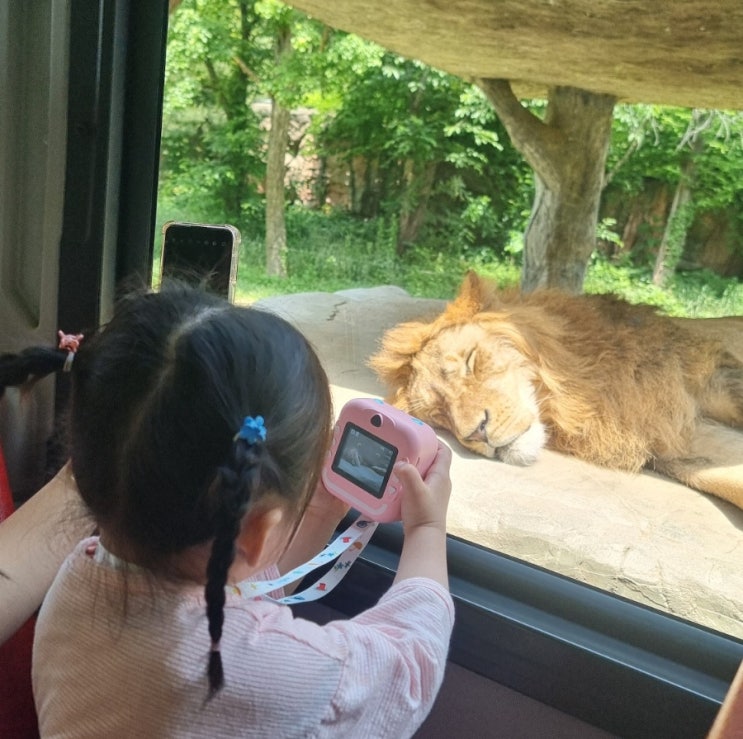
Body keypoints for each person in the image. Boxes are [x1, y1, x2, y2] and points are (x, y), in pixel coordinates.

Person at [0, 283, 454, 738]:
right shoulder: (279, 670)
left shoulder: (74, 584)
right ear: (255, 533)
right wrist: (427, 529)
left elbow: (236, 588)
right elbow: (410, 669)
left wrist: (316, 511)